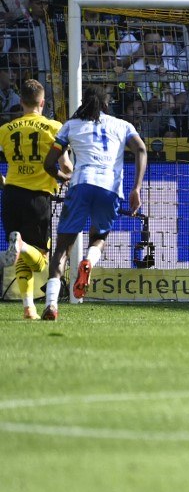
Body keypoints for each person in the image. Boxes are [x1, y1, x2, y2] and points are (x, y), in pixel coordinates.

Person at [41, 87, 148, 319]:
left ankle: (51, 304)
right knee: (99, 237)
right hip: (109, 187)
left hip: (80, 184)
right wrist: (137, 187)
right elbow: (141, 149)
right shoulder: (123, 125)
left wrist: (63, 177)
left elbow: (49, 163)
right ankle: (88, 261)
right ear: (106, 105)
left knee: (62, 248)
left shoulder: (70, 126)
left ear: (83, 103)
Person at [0, 80, 70, 320]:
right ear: (43, 102)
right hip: (38, 197)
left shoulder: (6, 129)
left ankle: (28, 308)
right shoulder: (53, 127)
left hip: (11, 195)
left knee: (21, 257)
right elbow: (66, 166)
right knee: (40, 260)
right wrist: (70, 177)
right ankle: (21, 245)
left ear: (21, 102)